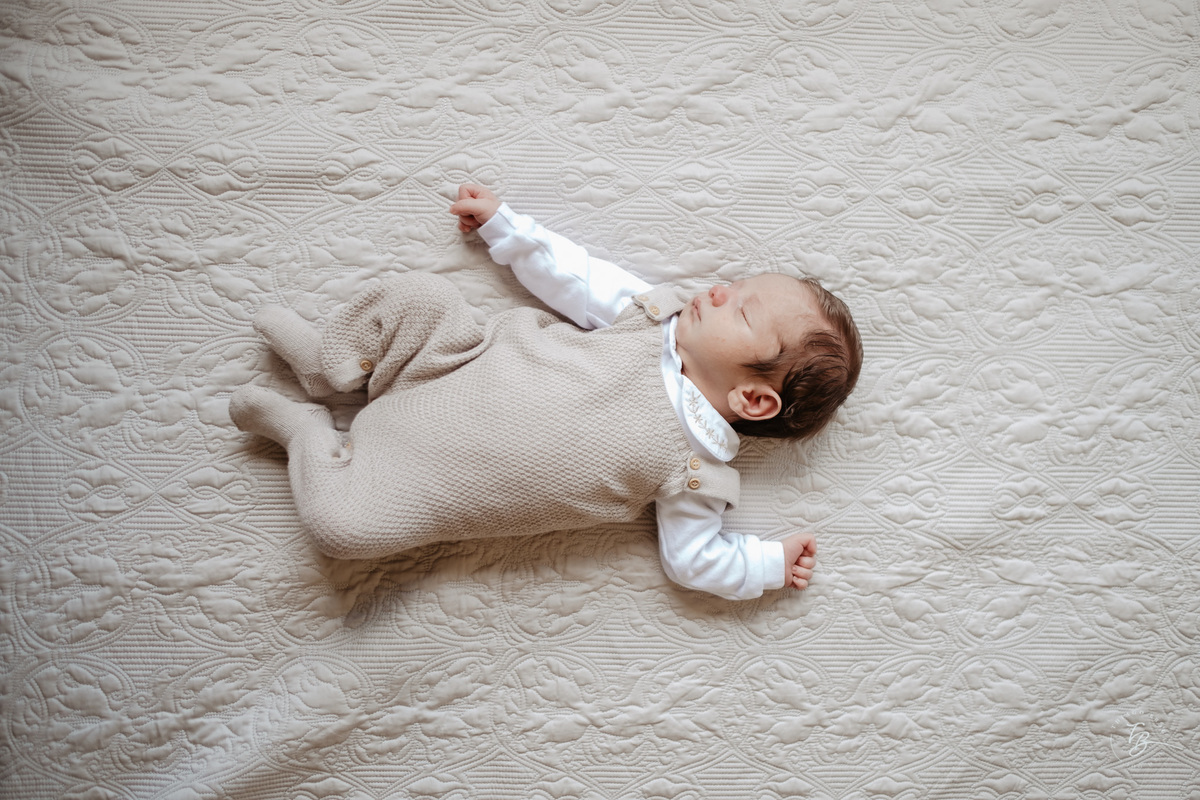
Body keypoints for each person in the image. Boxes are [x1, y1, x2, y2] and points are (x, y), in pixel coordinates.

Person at [229, 184, 862, 601]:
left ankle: (305, 432)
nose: (720, 290)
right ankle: (328, 365)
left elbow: (695, 562)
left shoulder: (697, 471)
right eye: (736, 282)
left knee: (344, 530)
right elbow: (576, 279)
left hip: (427, 481)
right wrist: (507, 230)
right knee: (422, 297)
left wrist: (765, 566)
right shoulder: (654, 318)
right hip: (445, 364)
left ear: (754, 400)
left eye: (744, 312)